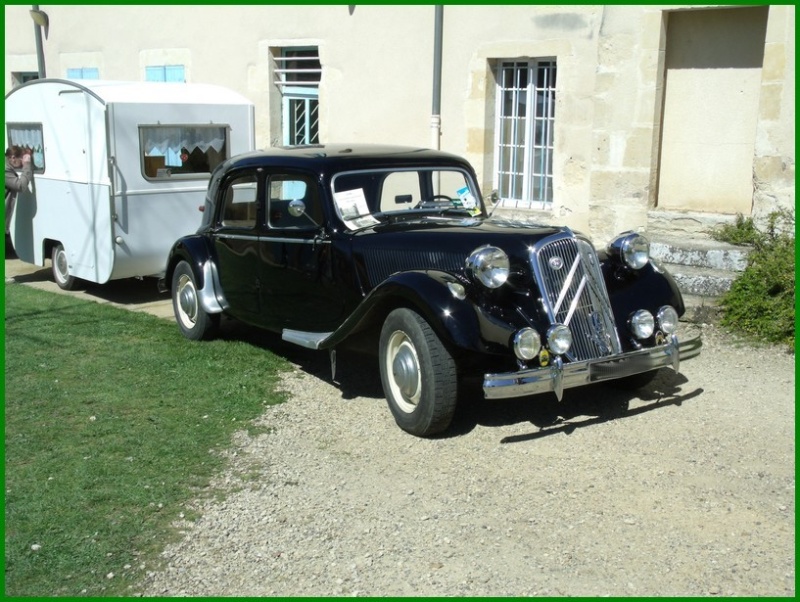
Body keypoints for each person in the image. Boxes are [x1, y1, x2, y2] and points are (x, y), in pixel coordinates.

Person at [5, 145, 33, 253]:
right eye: (21, 159)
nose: (22, 163)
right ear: (12, 157)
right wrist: (27, 165)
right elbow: (21, 186)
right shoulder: (5, 170)